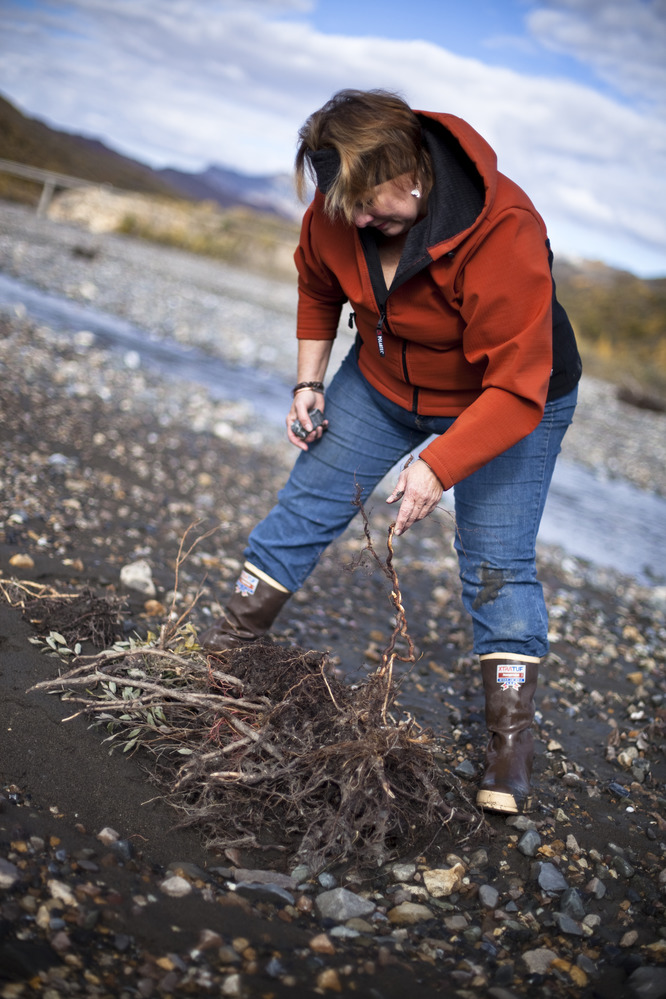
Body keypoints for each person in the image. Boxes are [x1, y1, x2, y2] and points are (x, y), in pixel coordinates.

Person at [199, 89, 582, 815]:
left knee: (496, 558)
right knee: (305, 506)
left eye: (370, 204)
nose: (358, 221)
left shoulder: (504, 228)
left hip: (507, 394)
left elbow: (517, 385)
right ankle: (222, 652)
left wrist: (438, 466)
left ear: (410, 169)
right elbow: (317, 281)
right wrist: (308, 381)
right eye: (343, 206)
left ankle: (509, 748)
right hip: (381, 381)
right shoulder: (342, 204)